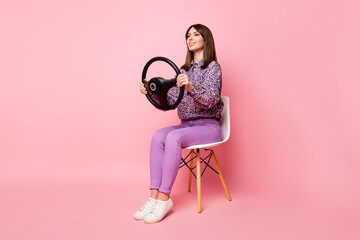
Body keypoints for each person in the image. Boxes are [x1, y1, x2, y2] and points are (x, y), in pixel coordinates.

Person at [136, 24, 224, 224]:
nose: (190, 38)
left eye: (195, 34)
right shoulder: (182, 70)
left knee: (173, 137)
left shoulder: (212, 68)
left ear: (206, 39)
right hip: (186, 125)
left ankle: (165, 197)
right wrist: (152, 91)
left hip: (209, 126)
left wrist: (191, 87)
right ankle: (154, 197)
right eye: (188, 35)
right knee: (159, 135)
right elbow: (170, 101)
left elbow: (211, 100)